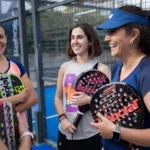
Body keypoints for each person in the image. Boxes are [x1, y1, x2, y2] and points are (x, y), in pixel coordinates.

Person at [91, 5, 150, 150]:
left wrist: (115, 132)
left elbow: (115, 129)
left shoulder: (147, 72)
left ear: (134, 35)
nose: (106, 38)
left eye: (113, 31)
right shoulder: (118, 67)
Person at [54, 22, 111, 150]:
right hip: (64, 132)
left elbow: (108, 105)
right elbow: (58, 98)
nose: (75, 41)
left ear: (90, 41)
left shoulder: (102, 69)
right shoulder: (65, 67)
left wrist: (89, 99)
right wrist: (63, 119)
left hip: (91, 134)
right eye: (72, 38)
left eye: (79, 37)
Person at [0, 23, 37, 112]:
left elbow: (33, 98)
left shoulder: (16, 65)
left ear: (6, 38)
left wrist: (10, 115)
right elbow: (22, 98)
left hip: (20, 126)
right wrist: (18, 98)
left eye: (0, 37)